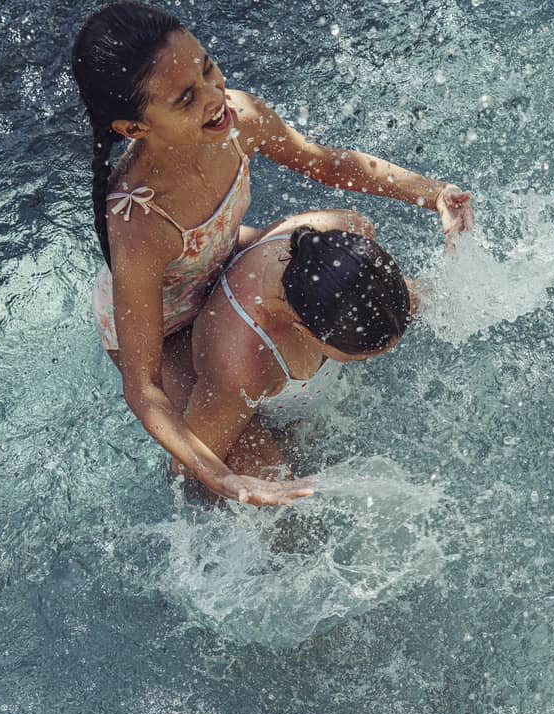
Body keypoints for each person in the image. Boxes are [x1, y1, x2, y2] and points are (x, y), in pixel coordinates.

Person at [70, 2, 473, 505]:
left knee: (376, 301)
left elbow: (329, 165)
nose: (216, 97)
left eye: (208, 67)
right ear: (135, 129)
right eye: (186, 97)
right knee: (244, 482)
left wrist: (431, 192)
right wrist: (221, 478)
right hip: (168, 323)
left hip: (225, 258)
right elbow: (143, 386)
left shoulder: (239, 119)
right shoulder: (140, 224)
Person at [182, 209, 412, 475]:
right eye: (359, 356)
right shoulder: (243, 365)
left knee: (410, 302)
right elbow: (190, 468)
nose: (376, 357)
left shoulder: (346, 234)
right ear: (303, 331)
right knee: (277, 500)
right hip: (227, 403)